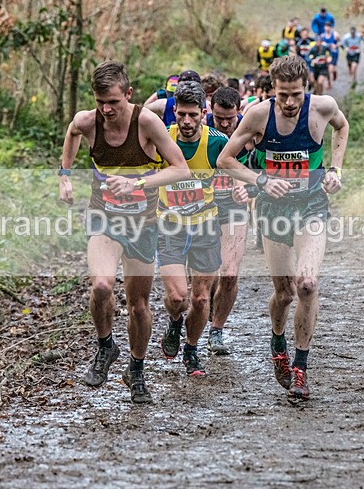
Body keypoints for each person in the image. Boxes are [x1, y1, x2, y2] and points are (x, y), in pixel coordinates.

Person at [216, 55, 349, 402]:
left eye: (295, 95)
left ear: (307, 87)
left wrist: (335, 169)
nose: (289, 103)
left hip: (311, 206)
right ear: (272, 90)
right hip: (273, 210)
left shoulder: (323, 107)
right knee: (285, 293)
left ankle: (301, 369)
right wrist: (260, 179)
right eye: (282, 96)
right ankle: (277, 340)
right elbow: (225, 160)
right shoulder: (258, 115)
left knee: (307, 284)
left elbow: (342, 126)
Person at [59, 61, 190, 403]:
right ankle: (106, 347)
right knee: (102, 286)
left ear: (129, 95)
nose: (107, 109)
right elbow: (72, 133)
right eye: (101, 101)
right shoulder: (88, 121)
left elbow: (180, 169)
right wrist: (64, 174)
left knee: (138, 306)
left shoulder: (146, 122)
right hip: (104, 220)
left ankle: (136, 369)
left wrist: (137, 183)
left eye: (114, 102)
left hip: (143, 225)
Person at [157, 81, 227, 376]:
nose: (186, 122)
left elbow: (237, 166)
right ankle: (174, 323)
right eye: (181, 114)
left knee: (200, 299)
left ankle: (192, 348)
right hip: (170, 226)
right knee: (177, 298)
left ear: (204, 113)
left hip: (205, 226)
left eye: (193, 115)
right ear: (174, 112)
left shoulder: (217, 142)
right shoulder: (161, 137)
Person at [204, 87, 248, 355]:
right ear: (210, 111)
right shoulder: (198, 130)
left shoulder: (250, 130)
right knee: (203, 276)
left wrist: (249, 188)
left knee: (229, 273)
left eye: (229, 119)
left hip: (234, 207)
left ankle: (217, 331)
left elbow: (265, 165)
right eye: (218, 117)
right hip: (203, 207)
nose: (224, 123)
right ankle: (200, 308)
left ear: (238, 113)